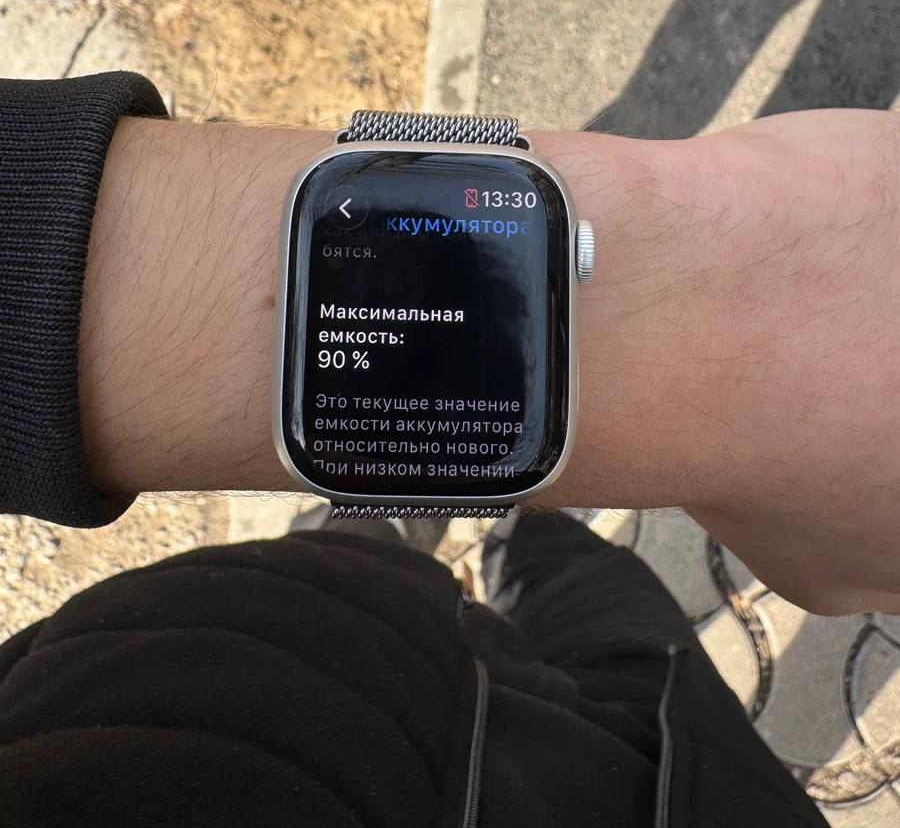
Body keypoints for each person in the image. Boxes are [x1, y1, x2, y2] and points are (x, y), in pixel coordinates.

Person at [1, 73, 898, 826]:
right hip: (666, 763)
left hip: (248, 677)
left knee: (443, 570)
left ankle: (421, 531)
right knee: (602, 600)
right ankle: (492, 532)